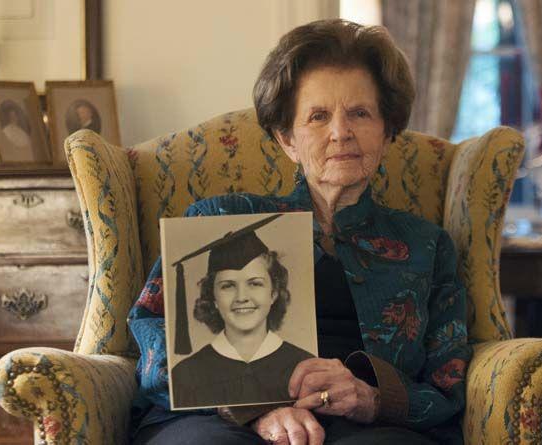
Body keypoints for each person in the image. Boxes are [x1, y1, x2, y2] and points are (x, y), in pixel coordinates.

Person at [129, 19, 472, 445]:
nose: (340, 132)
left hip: (368, 425)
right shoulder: (219, 219)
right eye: (318, 116)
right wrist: (257, 408)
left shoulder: (425, 245)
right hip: (220, 416)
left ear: (387, 134)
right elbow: (151, 328)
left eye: (360, 113)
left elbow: (447, 381)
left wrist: (370, 398)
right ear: (287, 139)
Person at [169, 214, 313, 409]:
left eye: (255, 283)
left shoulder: (306, 365)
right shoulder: (185, 375)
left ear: (273, 293)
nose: (241, 297)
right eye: (228, 286)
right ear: (213, 298)